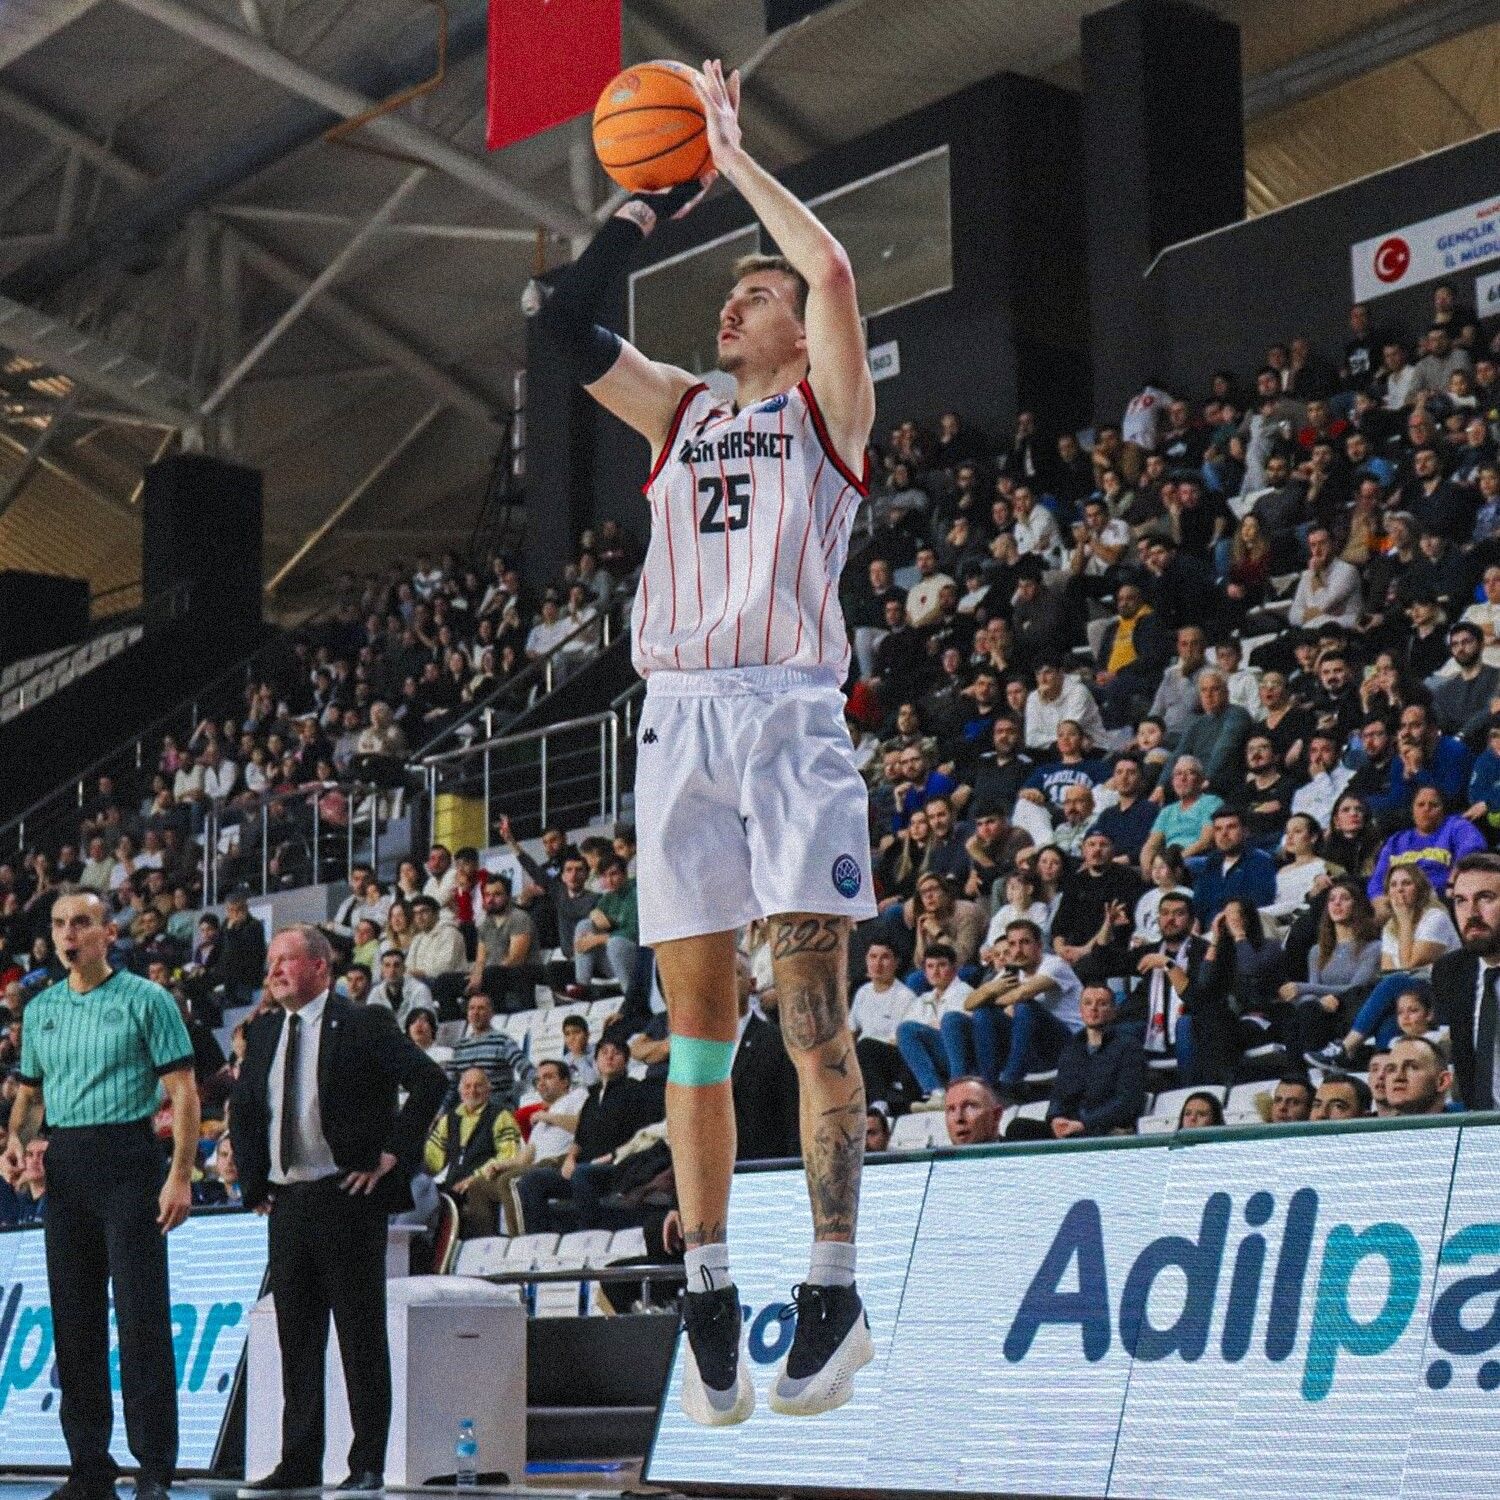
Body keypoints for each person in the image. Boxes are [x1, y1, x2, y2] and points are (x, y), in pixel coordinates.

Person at [537, 57, 880, 1422]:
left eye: (757, 294)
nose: (736, 300)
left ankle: (837, 1288)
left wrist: (728, 158)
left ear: (796, 336)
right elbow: (562, 324)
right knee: (694, 1032)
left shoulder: (825, 418)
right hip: (678, 725)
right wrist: (641, 204)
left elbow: (839, 271)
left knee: (807, 1014)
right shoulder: (682, 411)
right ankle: (714, 1285)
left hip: (790, 719)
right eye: (734, 293)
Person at [231, 924, 447, 1499]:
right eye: (271, 960)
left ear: (321, 967)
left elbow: (429, 1082)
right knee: (296, 1339)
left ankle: (367, 1463)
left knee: (359, 1335)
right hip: (288, 1202)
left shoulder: (363, 1023)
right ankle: (298, 1462)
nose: (274, 970)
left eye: (287, 960)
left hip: (347, 1197)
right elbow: (245, 1109)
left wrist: (393, 1155)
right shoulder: (266, 1030)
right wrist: (253, 1183)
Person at [2, 889, 200, 1500]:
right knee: (75, 1321)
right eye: (60, 924)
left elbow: (185, 1094)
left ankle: (155, 1469)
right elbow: (31, 1098)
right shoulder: (40, 1010)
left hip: (130, 1160)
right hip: (66, 1166)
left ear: (108, 933)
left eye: (82, 923)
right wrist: (13, 1140)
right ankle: (89, 1465)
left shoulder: (147, 999)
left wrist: (181, 1173)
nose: (68, 934)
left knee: (141, 1318)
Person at [423, 1067, 523, 1242]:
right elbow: (432, 1159)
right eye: (467, 1086)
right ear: (460, 1091)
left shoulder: (501, 1116)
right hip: (452, 1184)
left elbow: (508, 1155)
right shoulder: (448, 1119)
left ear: (488, 1089)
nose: (472, 1091)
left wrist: (475, 1178)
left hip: (484, 1180)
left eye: (478, 1086)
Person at [1434, 852, 1500, 1109]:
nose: (1471, 912)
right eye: (1461, 901)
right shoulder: (1450, 971)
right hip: (1481, 1130)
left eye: (1485, 898)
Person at [1045, 984, 1147, 1138]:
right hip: (1070, 1126)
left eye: (1102, 1004)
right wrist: (1056, 1117)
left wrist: (1084, 1124)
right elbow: (1059, 1093)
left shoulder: (1128, 1047)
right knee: (1019, 1127)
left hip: (1104, 1128)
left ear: (1114, 1011)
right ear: (1080, 1010)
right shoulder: (1072, 1048)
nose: (1093, 1008)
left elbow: (1128, 1101)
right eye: (1087, 1003)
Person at [1384, 1035, 1452, 1115]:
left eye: (1412, 1067)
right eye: (1391, 1070)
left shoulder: (1467, 1124)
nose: (1398, 1077)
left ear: (1442, 1081)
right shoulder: (1372, 1127)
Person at [943, 1076, 1002, 1146]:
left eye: (970, 1107)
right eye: (951, 1109)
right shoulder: (937, 1156)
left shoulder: (1016, 1154)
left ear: (996, 1115)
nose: (958, 1118)